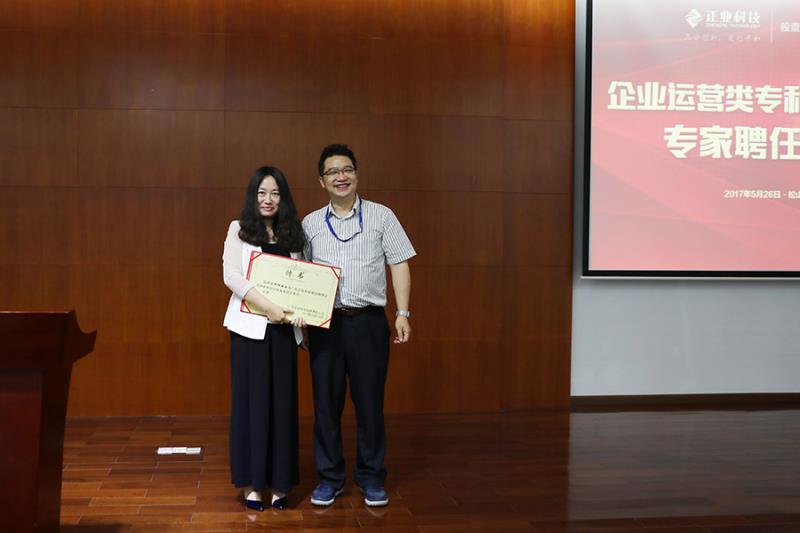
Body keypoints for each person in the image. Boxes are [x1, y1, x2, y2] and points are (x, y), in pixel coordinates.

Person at [302, 144, 416, 507]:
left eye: (347, 169)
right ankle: (330, 478)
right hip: (326, 325)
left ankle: (370, 477)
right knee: (326, 406)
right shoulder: (310, 224)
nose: (341, 176)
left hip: (368, 323)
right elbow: (300, 274)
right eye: (333, 172)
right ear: (321, 181)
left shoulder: (382, 216)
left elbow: (399, 262)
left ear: (356, 174)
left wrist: (402, 312)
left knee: (370, 405)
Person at [222, 166, 307, 511]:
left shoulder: (294, 234)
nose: (268, 199)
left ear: (283, 198)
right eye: (261, 192)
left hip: (285, 334)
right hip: (250, 333)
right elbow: (232, 276)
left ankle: (280, 483)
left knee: (283, 407)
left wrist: (301, 313)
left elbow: (304, 283)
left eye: (275, 193)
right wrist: (270, 307)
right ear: (252, 196)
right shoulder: (238, 230)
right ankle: (253, 485)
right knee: (251, 406)